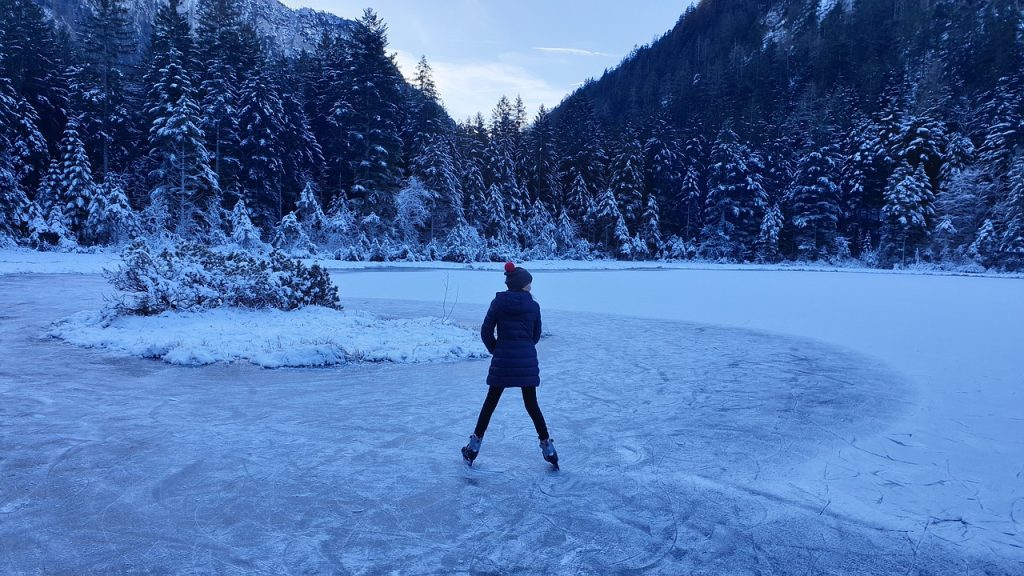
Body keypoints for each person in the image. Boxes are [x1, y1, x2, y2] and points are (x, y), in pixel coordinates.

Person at [462, 262, 558, 469]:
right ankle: (548, 448)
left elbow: (486, 332)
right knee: (532, 404)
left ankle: (473, 446)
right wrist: (523, 348)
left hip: (503, 360)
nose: (531, 287)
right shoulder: (533, 306)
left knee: (490, 403)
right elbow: (535, 335)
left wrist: (497, 349)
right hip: (526, 362)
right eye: (529, 284)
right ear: (522, 285)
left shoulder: (498, 303)